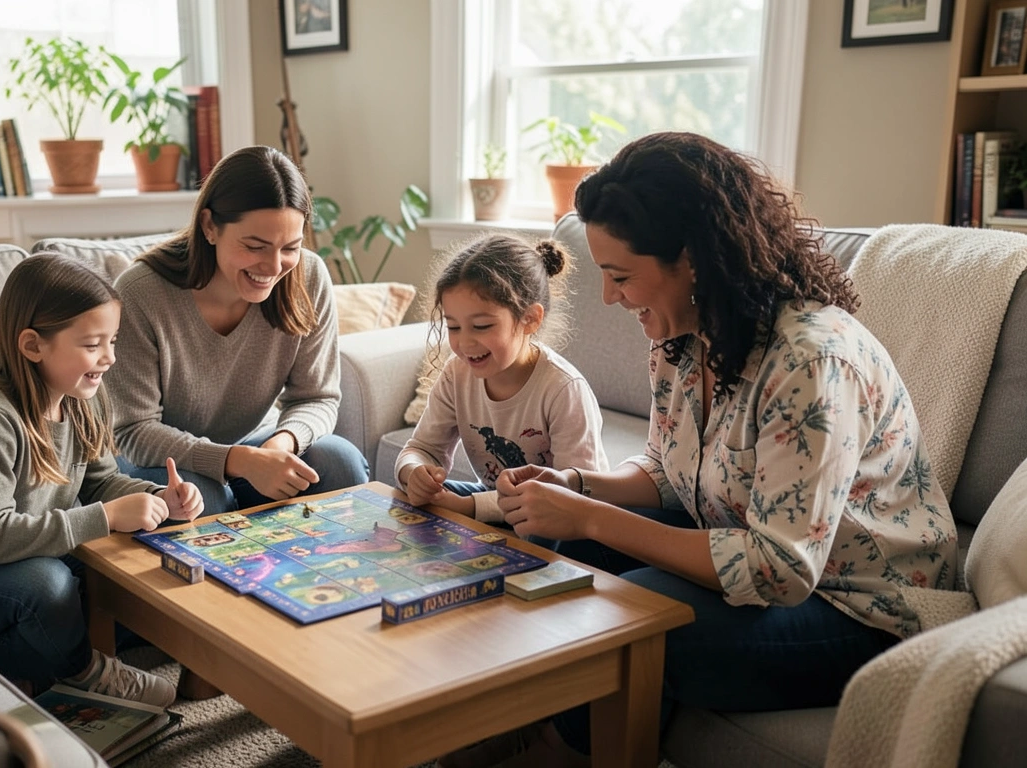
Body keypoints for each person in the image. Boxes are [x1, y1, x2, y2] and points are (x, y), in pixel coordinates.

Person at [456, 132, 961, 768]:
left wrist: (587, 513)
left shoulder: (810, 359)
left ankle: (557, 751)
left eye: (620, 276)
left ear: (692, 260)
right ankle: (526, 721)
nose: (611, 298)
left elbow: (779, 568)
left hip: (857, 602)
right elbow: (672, 476)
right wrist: (577, 488)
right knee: (571, 552)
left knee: (627, 613)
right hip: (743, 541)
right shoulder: (682, 335)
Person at [0, 253, 204, 706]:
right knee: (49, 584)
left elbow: (99, 484)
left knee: (120, 558)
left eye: (112, 341)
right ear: (33, 346)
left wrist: (158, 498)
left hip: (8, 562)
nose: (110, 358)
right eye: (93, 344)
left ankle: (16, 674)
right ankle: (84, 670)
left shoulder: (82, 396)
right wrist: (107, 517)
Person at [104, 145, 369, 515]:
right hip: (157, 461)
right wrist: (239, 462)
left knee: (338, 460)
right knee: (203, 497)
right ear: (210, 226)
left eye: (290, 247)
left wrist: (280, 447)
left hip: (256, 444)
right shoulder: (141, 293)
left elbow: (318, 397)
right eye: (255, 246)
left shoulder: (308, 277)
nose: (275, 266)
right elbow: (134, 432)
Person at [395, 233, 608, 525]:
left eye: (481, 326)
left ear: (530, 319)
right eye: (454, 327)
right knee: (419, 502)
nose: (465, 343)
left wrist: (469, 507)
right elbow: (421, 449)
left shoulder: (562, 389)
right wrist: (414, 472)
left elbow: (573, 498)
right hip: (496, 502)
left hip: (562, 519)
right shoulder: (456, 374)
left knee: (540, 525)